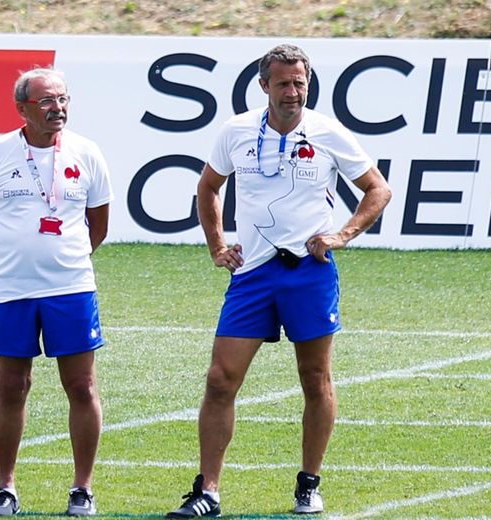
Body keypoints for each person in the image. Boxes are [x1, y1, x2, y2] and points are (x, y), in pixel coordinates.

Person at [166, 44, 392, 517]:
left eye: (300, 83)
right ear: (264, 85)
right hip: (250, 274)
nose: (293, 92)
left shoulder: (328, 131)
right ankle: (207, 489)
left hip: (309, 274)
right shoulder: (237, 131)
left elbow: (378, 189)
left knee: (315, 378)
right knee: (220, 379)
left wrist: (343, 234)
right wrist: (216, 244)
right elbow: (209, 186)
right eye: (284, 83)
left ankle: (309, 484)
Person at [0, 67, 113, 517]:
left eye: (63, 99)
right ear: (22, 108)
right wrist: (13, 258)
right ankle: (5, 488)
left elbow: (99, 224)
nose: (57, 108)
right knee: (11, 387)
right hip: (10, 290)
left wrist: (63, 259)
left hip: (70, 288)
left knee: (82, 386)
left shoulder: (87, 153)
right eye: (47, 101)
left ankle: (81, 489)